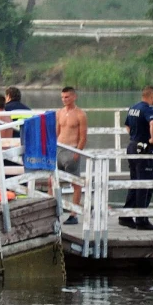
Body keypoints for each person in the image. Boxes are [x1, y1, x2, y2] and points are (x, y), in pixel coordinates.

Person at [121, 85, 153, 230]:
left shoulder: (133, 108)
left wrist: (135, 136)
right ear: (151, 96)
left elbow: (127, 126)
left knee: (135, 182)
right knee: (145, 184)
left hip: (132, 146)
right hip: (143, 148)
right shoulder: (147, 108)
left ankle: (125, 216)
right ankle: (141, 219)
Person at [56, 86, 88, 221]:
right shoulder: (59, 113)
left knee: (75, 183)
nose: (64, 99)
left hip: (72, 150)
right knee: (53, 180)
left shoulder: (80, 114)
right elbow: (56, 132)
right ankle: (55, 210)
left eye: (67, 97)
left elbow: (83, 136)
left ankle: (73, 213)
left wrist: (77, 152)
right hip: (59, 149)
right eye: (62, 97)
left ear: (74, 97)